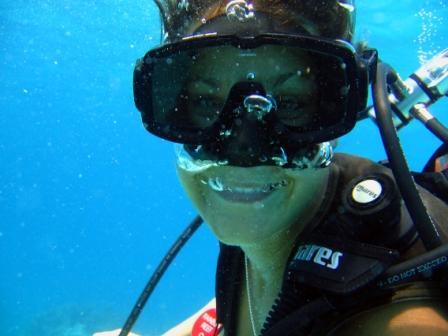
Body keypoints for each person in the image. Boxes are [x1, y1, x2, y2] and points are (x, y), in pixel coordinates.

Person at [96, 0, 448, 335]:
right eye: (205, 103)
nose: (244, 152)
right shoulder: (275, 228)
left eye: (291, 103)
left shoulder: (399, 317)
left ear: (339, 110)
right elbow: (260, 304)